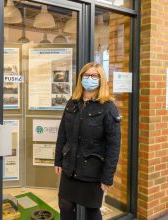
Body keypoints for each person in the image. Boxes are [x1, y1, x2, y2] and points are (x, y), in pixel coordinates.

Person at [54, 62, 121, 220]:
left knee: (92, 211)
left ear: (101, 80)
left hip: (93, 170)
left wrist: (107, 177)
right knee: (65, 205)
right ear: (81, 78)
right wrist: (58, 160)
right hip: (70, 166)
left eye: (94, 76)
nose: (89, 78)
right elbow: (62, 133)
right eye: (86, 75)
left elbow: (114, 145)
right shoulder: (72, 102)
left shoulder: (108, 107)